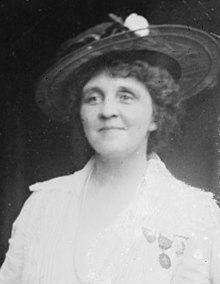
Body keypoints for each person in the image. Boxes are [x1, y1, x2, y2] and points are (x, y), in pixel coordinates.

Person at [0, 13, 220, 284]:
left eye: (126, 96)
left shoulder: (196, 215)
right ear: (80, 114)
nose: (107, 111)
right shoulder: (42, 206)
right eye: (93, 98)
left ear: (155, 116)